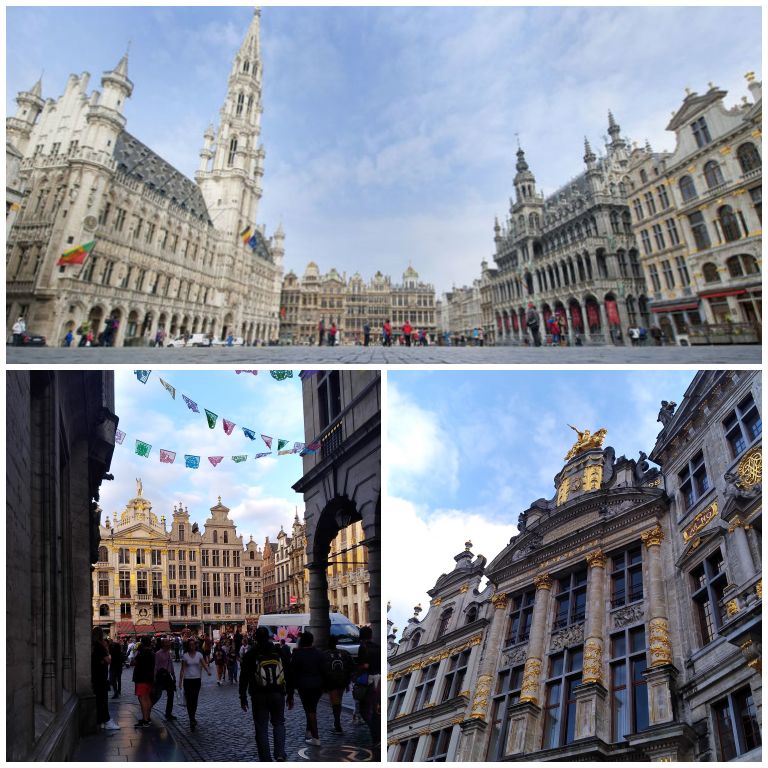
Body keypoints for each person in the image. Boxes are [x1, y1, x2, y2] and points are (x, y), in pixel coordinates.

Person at [240, 626, 292, 762]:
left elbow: (243, 677)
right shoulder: (278, 651)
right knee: (279, 723)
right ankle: (280, 753)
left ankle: (265, 758)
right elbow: (288, 673)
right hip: (278, 692)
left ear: (255, 638)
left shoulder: (251, 654)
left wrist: (243, 697)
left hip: (258, 694)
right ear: (269, 637)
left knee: (261, 726)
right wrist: (290, 695)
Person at [290, 631, 326, 746]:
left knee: (310, 710)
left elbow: (292, 673)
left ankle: (315, 737)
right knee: (311, 708)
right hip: (318, 685)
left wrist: (290, 693)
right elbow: (324, 670)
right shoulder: (319, 653)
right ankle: (309, 731)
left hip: (304, 686)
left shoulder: (297, 654)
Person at [178, 638, 211, 731]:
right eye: (190, 645)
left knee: (194, 699)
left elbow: (204, 664)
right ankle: (191, 718)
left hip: (197, 680)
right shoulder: (185, 656)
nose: (192, 646)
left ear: (195, 645)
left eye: (193, 644)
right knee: (189, 699)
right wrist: (180, 681)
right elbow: (182, 669)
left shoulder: (199, 655)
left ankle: (193, 716)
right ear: (188, 646)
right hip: (188, 680)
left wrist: (208, 671)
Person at [355, 626, 381, 747]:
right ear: (370, 636)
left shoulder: (363, 647)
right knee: (376, 710)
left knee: (364, 709)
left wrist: (356, 670)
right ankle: (377, 735)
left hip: (369, 681)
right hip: (379, 680)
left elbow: (365, 666)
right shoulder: (377, 647)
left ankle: (376, 737)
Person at [92, 628, 121, 731]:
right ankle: (107, 721)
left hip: (94, 677)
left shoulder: (92, 645)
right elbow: (108, 660)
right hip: (101, 677)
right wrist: (106, 649)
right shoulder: (100, 646)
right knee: (103, 700)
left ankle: (101, 721)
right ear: (100, 636)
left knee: (99, 700)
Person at [323, 636, 354, 733]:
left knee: (335, 703)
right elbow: (350, 668)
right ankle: (337, 722)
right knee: (338, 701)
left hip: (331, 682)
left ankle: (337, 724)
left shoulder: (324, 655)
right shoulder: (344, 653)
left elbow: (322, 670)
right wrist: (348, 682)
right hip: (342, 682)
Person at [132, 636, 155, 727]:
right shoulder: (152, 653)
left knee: (142, 698)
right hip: (149, 678)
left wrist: (136, 653)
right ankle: (147, 718)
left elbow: (133, 662)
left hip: (141, 678)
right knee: (147, 698)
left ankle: (145, 720)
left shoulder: (142, 653)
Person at [153, 637, 177, 721]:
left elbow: (170, 664)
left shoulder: (168, 653)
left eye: (169, 643)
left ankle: (168, 713)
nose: (169, 644)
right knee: (157, 695)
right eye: (168, 643)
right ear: (163, 644)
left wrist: (173, 675)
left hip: (168, 676)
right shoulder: (158, 653)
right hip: (160, 676)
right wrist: (154, 677)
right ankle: (148, 707)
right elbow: (155, 666)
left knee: (171, 694)